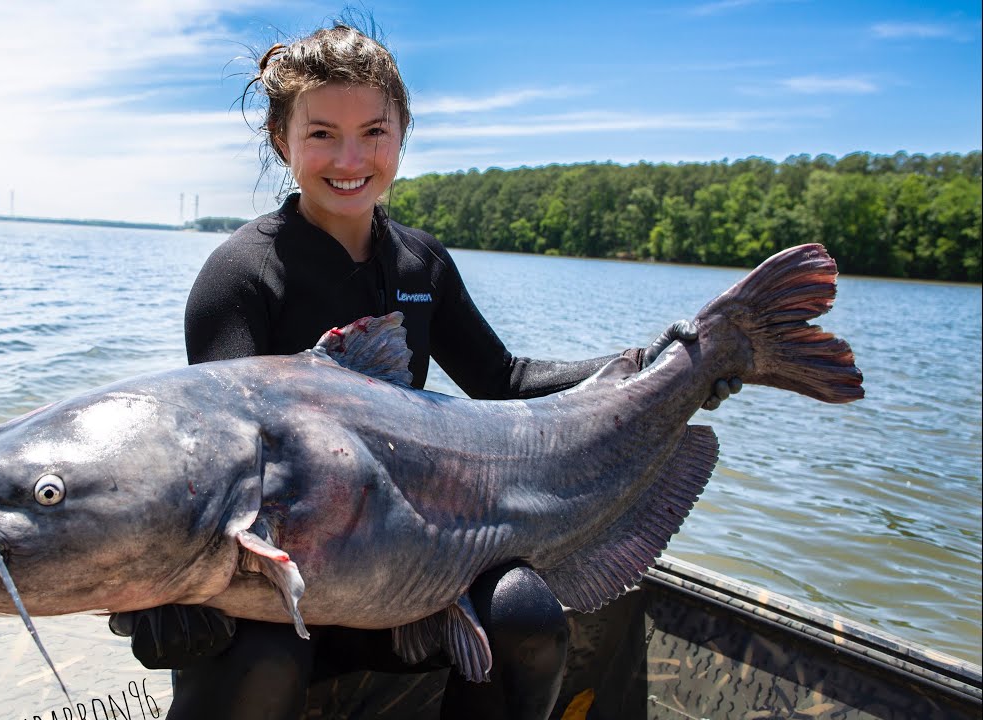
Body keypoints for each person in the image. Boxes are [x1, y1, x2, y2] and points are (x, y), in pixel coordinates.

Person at [110, 20, 739, 720]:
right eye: (321, 134)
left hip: (410, 578)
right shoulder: (242, 275)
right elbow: (220, 459)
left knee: (527, 620)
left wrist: (658, 367)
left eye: (374, 132)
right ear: (281, 141)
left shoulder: (421, 264)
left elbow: (503, 378)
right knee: (264, 663)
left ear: (402, 135)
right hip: (275, 584)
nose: (351, 158)